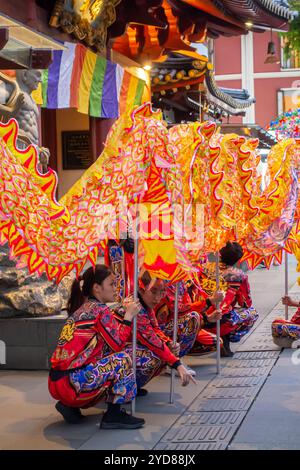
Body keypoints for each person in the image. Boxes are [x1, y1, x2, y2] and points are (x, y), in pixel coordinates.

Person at [48, 264, 145, 429]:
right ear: (97, 288)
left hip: (56, 382)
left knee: (104, 353)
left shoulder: (83, 309)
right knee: (123, 358)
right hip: (72, 385)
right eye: (112, 284)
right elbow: (118, 344)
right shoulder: (100, 310)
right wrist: (128, 316)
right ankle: (113, 415)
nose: (116, 288)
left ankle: (68, 406)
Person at [114, 270, 199, 393]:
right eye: (153, 292)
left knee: (167, 348)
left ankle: (133, 385)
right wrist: (176, 363)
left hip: (146, 339)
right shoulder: (135, 306)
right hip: (117, 353)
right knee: (154, 357)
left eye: (161, 292)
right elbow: (151, 339)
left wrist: (169, 343)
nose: (158, 298)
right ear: (142, 289)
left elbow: (155, 329)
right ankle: (127, 389)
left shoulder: (144, 302)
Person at [200, 242, 259, 356]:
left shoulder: (203, 268)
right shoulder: (239, 275)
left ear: (219, 254)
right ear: (237, 260)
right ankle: (227, 338)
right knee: (252, 313)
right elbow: (246, 303)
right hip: (222, 321)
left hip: (201, 317)